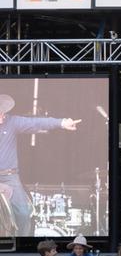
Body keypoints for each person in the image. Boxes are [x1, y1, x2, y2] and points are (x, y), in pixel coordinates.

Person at [0, 94, 80, 234]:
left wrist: (61, 122)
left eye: (3, 113)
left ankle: (20, 245)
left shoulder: (12, 122)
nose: (3, 117)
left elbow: (37, 122)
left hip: (9, 176)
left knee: (24, 213)